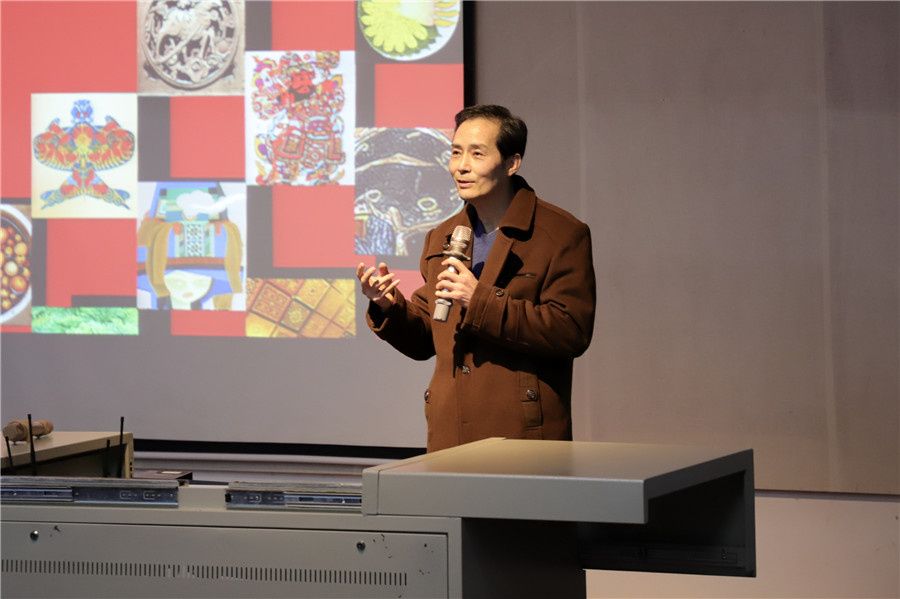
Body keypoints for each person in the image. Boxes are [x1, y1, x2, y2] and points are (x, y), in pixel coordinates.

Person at [357, 104, 596, 452]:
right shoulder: (442, 236)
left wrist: (479, 299)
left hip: (522, 436)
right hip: (450, 432)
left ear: (512, 163)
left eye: (477, 154)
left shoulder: (560, 234)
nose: (461, 166)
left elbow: (570, 331)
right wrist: (388, 307)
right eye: (456, 152)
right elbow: (427, 337)